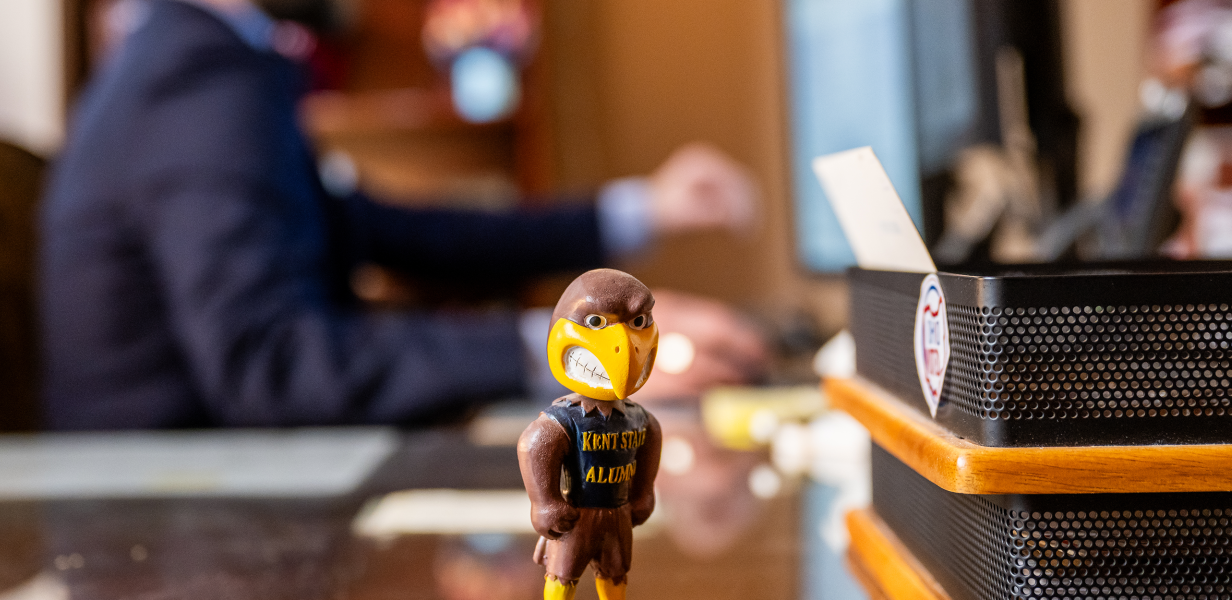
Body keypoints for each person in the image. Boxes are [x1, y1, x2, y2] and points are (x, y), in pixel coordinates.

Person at [39, 0, 766, 429]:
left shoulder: (195, 63)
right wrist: (572, 354)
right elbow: (271, 362)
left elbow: (404, 233)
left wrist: (638, 209)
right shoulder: (197, 83)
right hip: (174, 529)